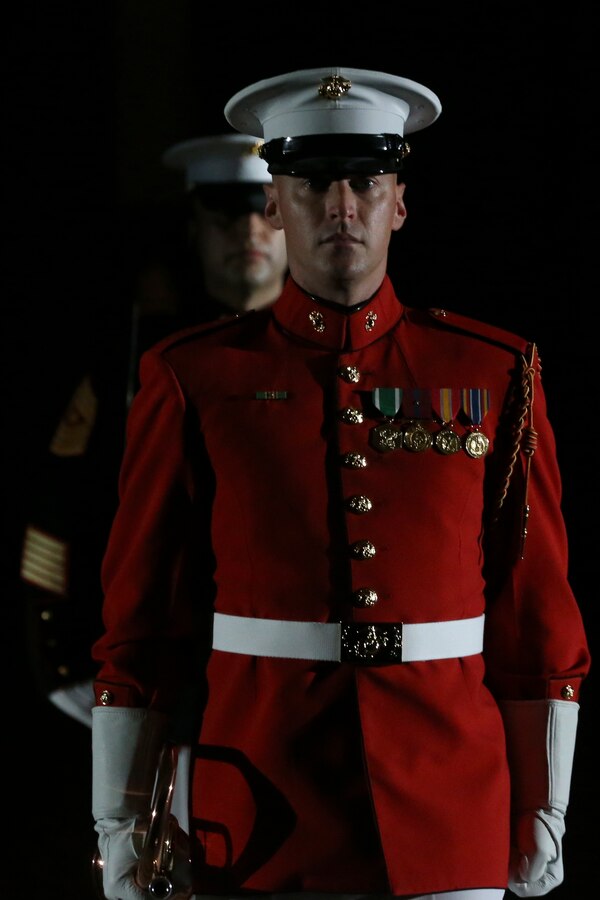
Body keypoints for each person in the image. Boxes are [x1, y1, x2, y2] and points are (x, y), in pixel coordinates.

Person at [90, 67, 590, 900]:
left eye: (366, 180)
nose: (341, 207)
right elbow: (141, 620)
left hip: (450, 805)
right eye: (313, 183)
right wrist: (120, 820)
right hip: (258, 806)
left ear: (399, 201)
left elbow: (534, 608)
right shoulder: (194, 376)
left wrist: (546, 807)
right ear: (278, 203)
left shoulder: (495, 371)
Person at [20, 131, 288, 729]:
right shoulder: (140, 359)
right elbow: (62, 509)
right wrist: (65, 664)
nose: (248, 232)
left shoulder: (330, 353)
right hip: (169, 682)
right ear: (195, 226)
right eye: (224, 214)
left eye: (267, 211)